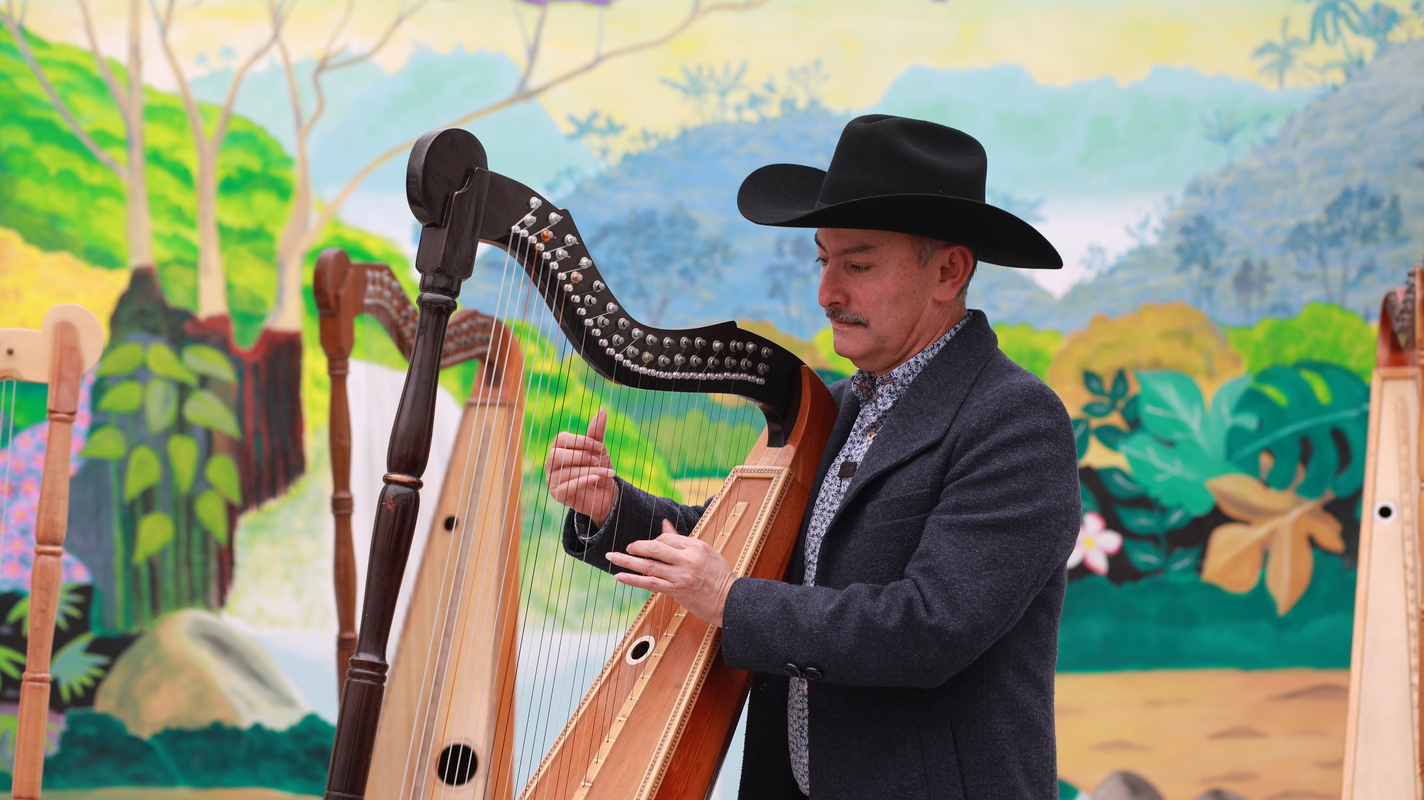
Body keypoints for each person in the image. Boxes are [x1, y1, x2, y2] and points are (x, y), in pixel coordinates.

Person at [545, 114, 1081, 799]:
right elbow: (743, 544)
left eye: (857, 265)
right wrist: (611, 507)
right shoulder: (837, 406)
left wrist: (731, 601)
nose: (827, 291)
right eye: (822, 261)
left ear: (949, 270)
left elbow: (929, 628)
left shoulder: (1013, 420)